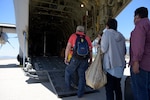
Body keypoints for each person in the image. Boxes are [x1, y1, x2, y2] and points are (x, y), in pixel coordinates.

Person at [100, 18, 126, 100]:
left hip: (110, 67)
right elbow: (124, 51)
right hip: (120, 66)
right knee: (118, 88)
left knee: (109, 90)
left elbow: (103, 49)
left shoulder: (106, 34)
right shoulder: (121, 36)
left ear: (107, 26)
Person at [64, 25, 92, 98]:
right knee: (82, 76)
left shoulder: (73, 36)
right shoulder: (87, 38)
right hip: (84, 59)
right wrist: (91, 59)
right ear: (83, 31)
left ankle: (68, 88)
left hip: (75, 58)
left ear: (76, 30)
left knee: (68, 71)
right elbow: (90, 50)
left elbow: (68, 47)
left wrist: (66, 58)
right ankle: (80, 94)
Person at [129, 7, 150, 100]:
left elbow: (138, 44)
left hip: (141, 66)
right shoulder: (148, 25)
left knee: (140, 93)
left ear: (137, 16)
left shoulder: (140, 26)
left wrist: (136, 62)